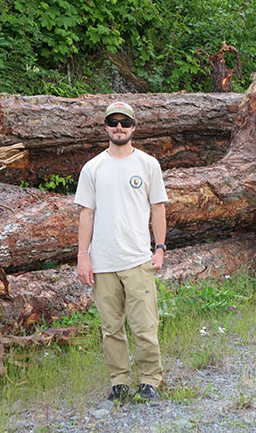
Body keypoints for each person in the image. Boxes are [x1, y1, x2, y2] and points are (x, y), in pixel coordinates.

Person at [74, 101, 168, 403]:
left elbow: (158, 209)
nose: (119, 128)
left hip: (138, 259)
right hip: (103, 262)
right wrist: (83, 256)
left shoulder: (148, 165)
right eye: (113, 122)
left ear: (133, 127)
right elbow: (86, 214)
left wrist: (160, 248)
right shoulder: (93, 168)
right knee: (111, 328)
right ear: (105, 127)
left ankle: (150, 380)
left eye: (124, 123)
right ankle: (119, 381)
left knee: (144, 325)